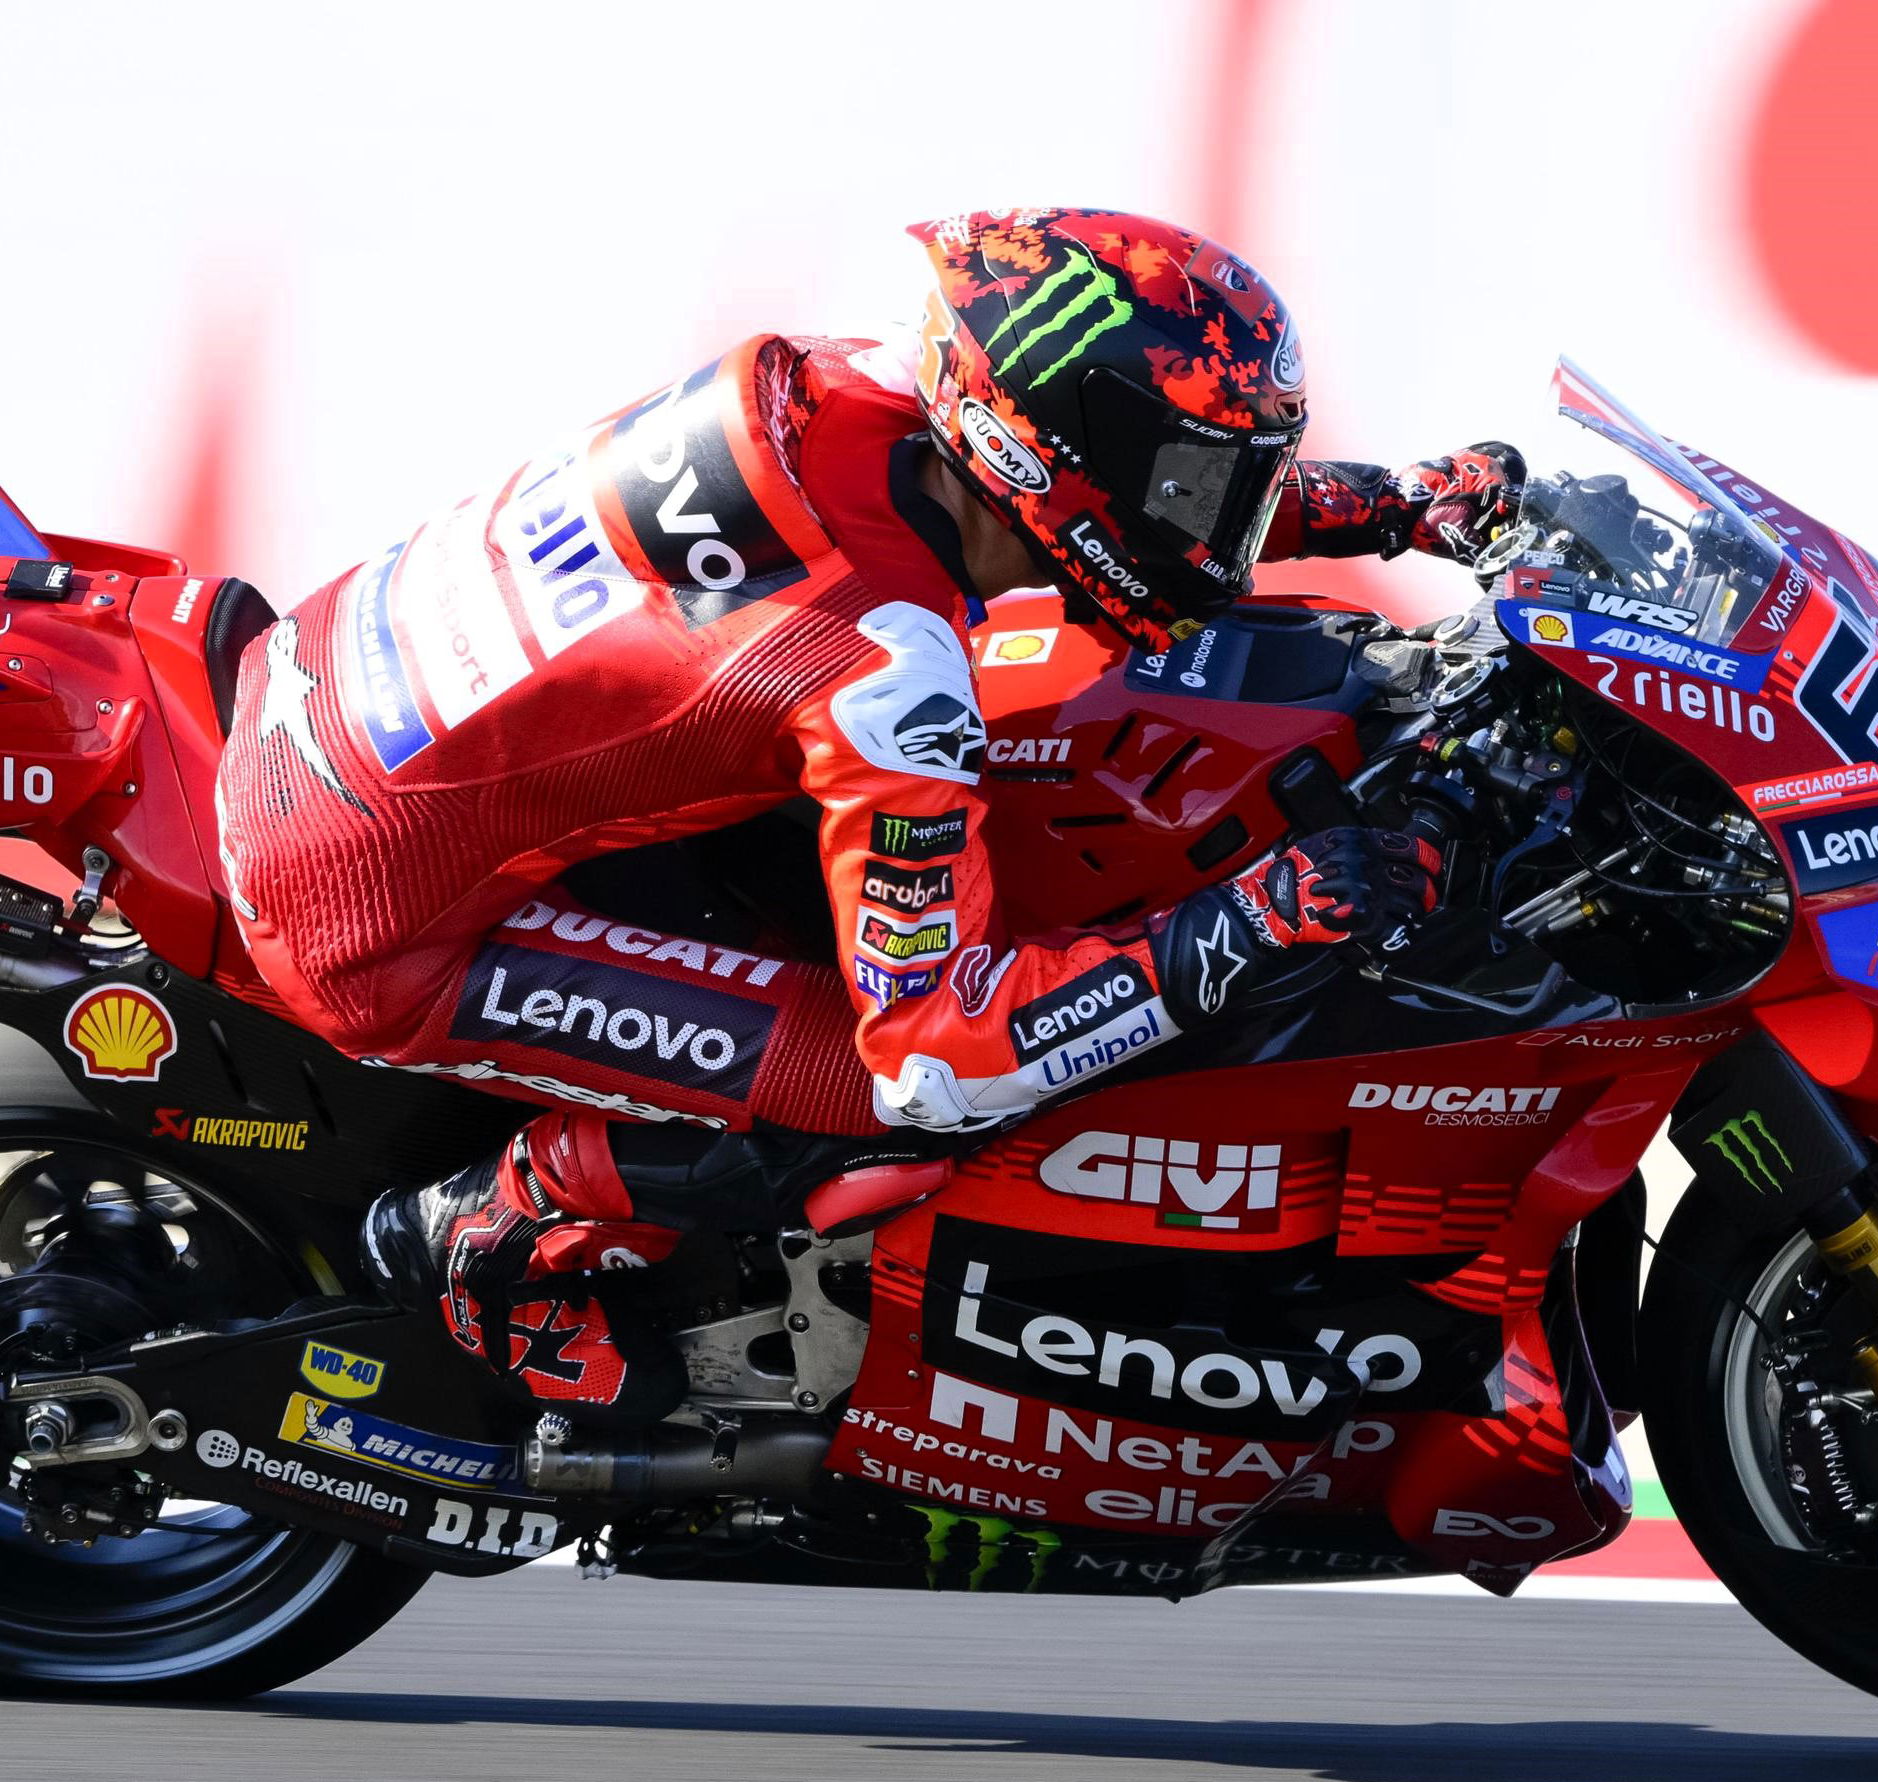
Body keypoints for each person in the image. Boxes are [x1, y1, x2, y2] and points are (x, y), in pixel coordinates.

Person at [213, 206, 1522, 1414]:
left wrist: (1396, 508)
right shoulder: (887, 670)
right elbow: (934, 1057)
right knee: (874, 1095)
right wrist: (1250, 922)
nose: (1209, 510)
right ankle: (485, 1232)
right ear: (1043, 451)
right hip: (381, 915)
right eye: (1192, 474)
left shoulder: (860, 384)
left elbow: (1136, 501)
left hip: (334, 704)